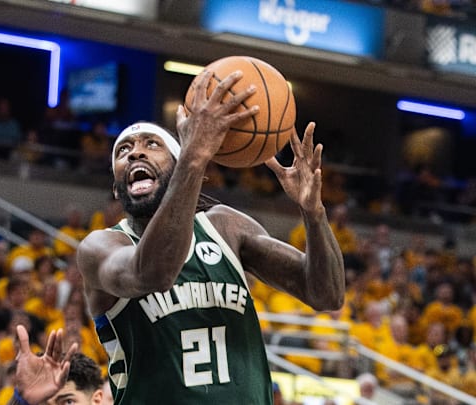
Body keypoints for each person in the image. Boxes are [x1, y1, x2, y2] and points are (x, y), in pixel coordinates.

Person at [76, 70, 345, 403]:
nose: (135, 153)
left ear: (177, 169)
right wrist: (195, 156)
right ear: (116, 191)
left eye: (152, 144)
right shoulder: (101, 247)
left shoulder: (226, 228)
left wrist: (314, 213)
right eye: (124, 150)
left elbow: (326, 294)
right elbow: (154, 273)